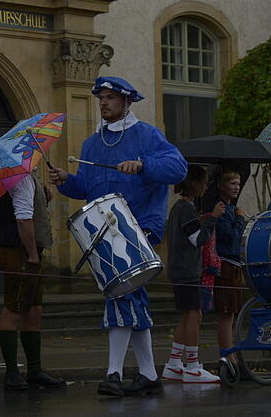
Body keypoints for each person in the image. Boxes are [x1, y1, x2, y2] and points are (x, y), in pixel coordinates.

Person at [49, 76, 187, 397]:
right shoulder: (91, 143)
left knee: (119, 292)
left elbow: (178, 168)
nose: (104, 103)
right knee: (130, 296)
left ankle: (113, 374)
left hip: (139, 227)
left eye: (110, 97)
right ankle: (149, 375)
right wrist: (66, 180)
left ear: (127, 102)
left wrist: (143, 165)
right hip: (104, 231)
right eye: (101, 97)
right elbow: (88, 188)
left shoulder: (148, 135)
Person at [0, 169, 66, 390]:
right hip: (20, 251)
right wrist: (32, 253)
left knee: (34, 309)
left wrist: (42, 194)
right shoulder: (21, 178)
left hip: (28, 251)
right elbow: (23, 218)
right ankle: (12, 373)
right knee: (14, 309)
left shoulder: (29, 178)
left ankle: (34, 370)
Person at [162, 165, 224, 383]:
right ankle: (193, 366)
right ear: (195, 184)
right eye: (204, 182)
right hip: (187, 271)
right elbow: (198, 240)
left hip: (180, 270)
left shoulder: (179, 208)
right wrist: (213, 218)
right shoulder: (186, 209)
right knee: (195, 315)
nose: (206, 187)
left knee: (188, 314)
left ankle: (174, 362)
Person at [211, 170, 246, 364]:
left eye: (238, 184)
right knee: (226, 314)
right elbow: (232, 241)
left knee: (231, 314)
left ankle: (231, 354)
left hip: (234, 266)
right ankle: (227, 356)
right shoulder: (222, 210)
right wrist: (240, 219)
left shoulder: (232, 208)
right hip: (225, 266)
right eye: (232, 183)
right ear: (222, 186)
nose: (236, 187)